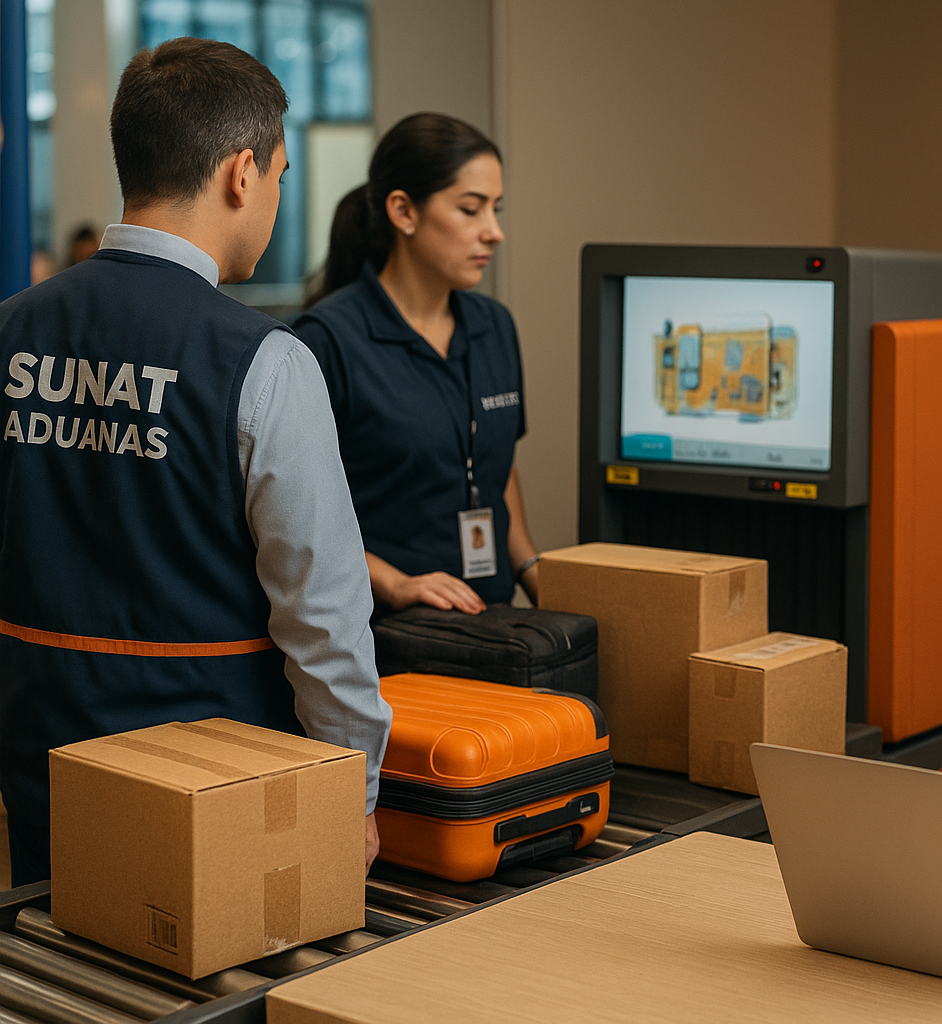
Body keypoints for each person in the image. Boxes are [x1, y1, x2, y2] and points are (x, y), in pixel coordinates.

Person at [0, 37, 391, 885]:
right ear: (241, 173)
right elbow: (322, 614)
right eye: (281, 178)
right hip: (216, 792)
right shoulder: (264, 362)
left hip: (44, 772)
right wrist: (354, 789)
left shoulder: (11, 329)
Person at [294, 113, 539, 617]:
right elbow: (293, 515)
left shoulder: (495, 326)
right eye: (471, 210)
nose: (494, 232)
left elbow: (498, 469)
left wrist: (532, 569)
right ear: (404, 212)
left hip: (489, 618)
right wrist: (396, 584)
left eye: (496, 209)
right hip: (383, 628)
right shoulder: (327, 340)